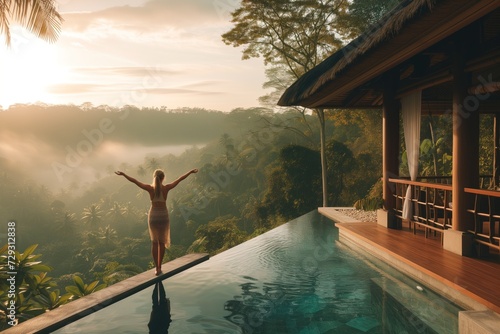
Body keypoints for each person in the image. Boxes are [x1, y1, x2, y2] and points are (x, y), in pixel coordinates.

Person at [115, 168, 198, 275]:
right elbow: (179, 179)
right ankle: (159, 267)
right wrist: (190, 172)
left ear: (154, 178)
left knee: (154, 242)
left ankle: (156, 268)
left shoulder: (150, 189)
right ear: (163, 178)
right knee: (161, 242)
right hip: (163, 216)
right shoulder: (166, 188)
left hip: (153, 216)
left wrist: (124, 174)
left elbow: (135, 181)